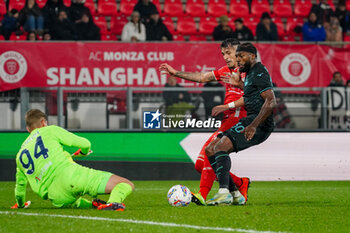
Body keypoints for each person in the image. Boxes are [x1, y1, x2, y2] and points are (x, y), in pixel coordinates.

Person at [159, 38, 250, 206]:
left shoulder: (247, 71)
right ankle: (238, 184)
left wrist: (228, 105)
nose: (226, 57)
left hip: (239, 122)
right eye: (223, 54)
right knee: (201, 164)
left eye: (229, 53)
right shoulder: (225, 71)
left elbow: (256, 95)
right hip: (227, 122)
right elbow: (202, 77)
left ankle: (202, 194)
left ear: (238, 52)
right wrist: (176, 73)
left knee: (211, 151)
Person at [12, 109, 134, 210]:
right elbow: (85, 144)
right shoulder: (50, 130)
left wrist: (21, 204)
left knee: (74, 201)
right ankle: (113, 203)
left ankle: (92, 204)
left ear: (28, 129)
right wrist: (83, 153)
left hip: (56, 197)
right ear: (43, 122)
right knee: (125, 184)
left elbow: (20, 187)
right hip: (70, 176)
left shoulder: (19, 155)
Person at [203, 42, 276, 206]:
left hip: (259, 123)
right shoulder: (250, 74)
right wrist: (239, 85)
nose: (238, 60)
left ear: (252, 56)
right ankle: (236, 194)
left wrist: (253, 125)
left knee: (220, 147)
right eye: (237, 57)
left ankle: (224, 193)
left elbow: (271, 101)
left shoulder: (259, 72)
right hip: (250, 120)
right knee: (210, 150)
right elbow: (252, 94)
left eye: (241, 56)